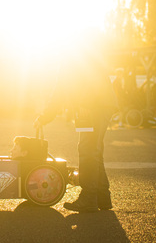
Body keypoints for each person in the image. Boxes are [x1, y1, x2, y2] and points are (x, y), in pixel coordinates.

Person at [34, 41, 116, 213]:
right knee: (94, 150)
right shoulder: (78, 50)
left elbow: (81, 81)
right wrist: (45, 117)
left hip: (92, 107)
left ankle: (88, 198)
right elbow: (61, 91)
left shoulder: (72, 55)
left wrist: (85, 104)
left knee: (87, 150)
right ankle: (102, 196)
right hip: (100, 105)